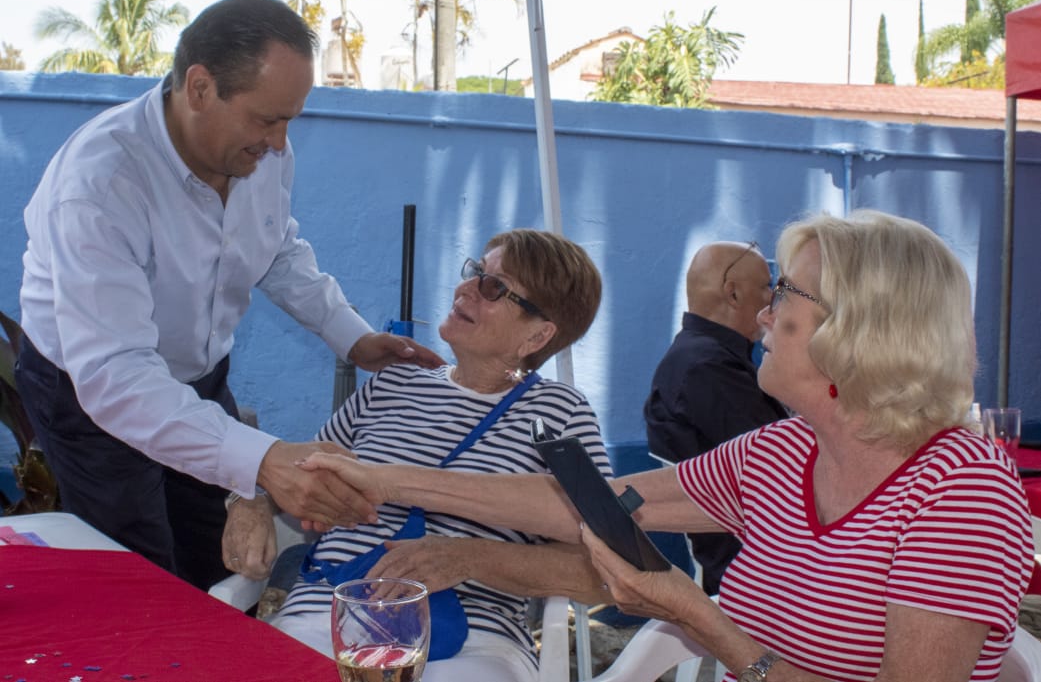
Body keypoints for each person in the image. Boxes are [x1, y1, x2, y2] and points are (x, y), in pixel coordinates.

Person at [303, 211, 1034, 682]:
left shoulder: (961, 485)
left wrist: (699, 616)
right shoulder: (782, 450)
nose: (764, 309)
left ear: (860, 329)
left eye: (786, 293)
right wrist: (380, 477)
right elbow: (580, 503)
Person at [13, 0, 441, 590]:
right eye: (267, 119)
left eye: (290, 120)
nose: (280, 141)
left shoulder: (260, 154)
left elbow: (275, 248)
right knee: (138, 575)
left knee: (216, 561)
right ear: (199, 88)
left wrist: (354, 337)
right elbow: (116, 378)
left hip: (195, 376)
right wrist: (263, 459)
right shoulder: (101, 185)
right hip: (89, 393)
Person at [224, 229, 612, 682]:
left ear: (538, 335)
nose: (465, 288)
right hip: (326, 621)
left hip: (469, 645)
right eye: (476, 272)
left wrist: (470, 558)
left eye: (494, 288)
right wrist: (250, 499)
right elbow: (297, 472)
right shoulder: (394, 383)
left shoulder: (559, 412)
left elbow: (601, 569)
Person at [644, 241, 788, 594]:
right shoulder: (706, 368)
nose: (773, 300)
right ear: (733, 294)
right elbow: (785, 470)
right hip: (757, 576)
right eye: (767, 287)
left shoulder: (701, 356)